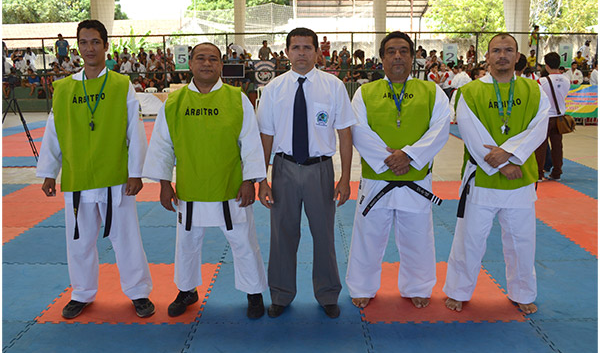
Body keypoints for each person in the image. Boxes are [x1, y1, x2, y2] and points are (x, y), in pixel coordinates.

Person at [36, 19, 154, 319]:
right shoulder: (64, 88)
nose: (89, 48)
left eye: (95, 42)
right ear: (77, 47)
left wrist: (136, 172)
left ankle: (138, 292)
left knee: (126, 238)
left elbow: (134, 130)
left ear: (105, 46)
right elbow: (53, 132)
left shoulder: (121, 85)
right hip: (77, 176)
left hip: (115, 175)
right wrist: (49, 171)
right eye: (84, 42)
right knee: (79, 240)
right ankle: (81, 293)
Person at [142, 42, 268, 319]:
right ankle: (187, 290)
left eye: (213, 59)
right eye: (201, 58)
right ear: (190, 63)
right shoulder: (174, 102)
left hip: (230, 186)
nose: (207, 63)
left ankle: (254, 292)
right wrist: (164, 183)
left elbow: (250, 142)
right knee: (186, 244)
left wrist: (250, 180)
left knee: (244, 242)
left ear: (221, 65)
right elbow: (163, 145)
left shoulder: (237, 99)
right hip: (190, 187)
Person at [443, 33, 550, 315]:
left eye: (508, 50)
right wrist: (503, 164)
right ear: (487, 56)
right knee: (469, 239)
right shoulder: (470, 91)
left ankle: (522, 292)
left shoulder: (534, 90)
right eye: (496, 50)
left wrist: (511, 154)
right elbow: (471, 132)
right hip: (482, 178)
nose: (502, 55)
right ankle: (458, 291)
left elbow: (539, 128)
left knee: (521, 241)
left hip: (520, 180)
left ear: (518, 56)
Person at [345, 31, 450, 310]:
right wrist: (390, 159)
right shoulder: (365, 93)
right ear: (382, 58)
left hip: (415, 178)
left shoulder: (431, 92)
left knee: (418, 236)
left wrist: (410, 156)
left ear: (413, 57)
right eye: (391, 51)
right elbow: (358, 129)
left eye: (403, 51)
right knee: (368, 236)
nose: (397, 56)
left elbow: (440, 128)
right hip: (376, 179)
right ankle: (362, 287)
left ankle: (418, 286)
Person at [256, 27, 356, 319]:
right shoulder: (273, 89)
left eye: (307, 47)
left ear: (317, 52)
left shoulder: (333, 86)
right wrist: (262, 180)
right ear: (286, 52)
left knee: (324, 235)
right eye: (296, 47)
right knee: (282, 235)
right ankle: (280, 294)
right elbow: (265, 137)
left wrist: (345, 178)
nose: (301, 53)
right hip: (284, 168)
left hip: (320, 169)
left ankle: (327, 294)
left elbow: (345, 134)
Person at [534, 52, 571, 182]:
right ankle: (557, 172)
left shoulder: (541, 81)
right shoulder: (566, 80)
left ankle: (539, 174)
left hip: (545, 117)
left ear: (547, 65)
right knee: (557, 146)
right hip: (559, 117)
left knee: (541, 146)